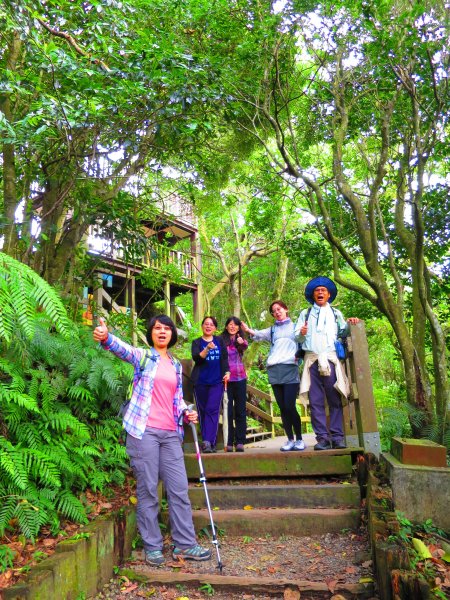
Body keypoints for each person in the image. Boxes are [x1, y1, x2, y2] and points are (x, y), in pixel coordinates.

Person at [93, 315, 211, 566]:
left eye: (167, 329)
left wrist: (186, 411)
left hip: (170, 434)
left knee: (178, 489)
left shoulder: (177, 365)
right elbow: (123, 349)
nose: (162, 332)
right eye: (157, 328)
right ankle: (153, 546)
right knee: (148, 490)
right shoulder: (144, 357)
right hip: (144, 431)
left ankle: (186, 544)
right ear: (151, 333)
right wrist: (106, 338)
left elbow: (177, 399)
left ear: (172, 335)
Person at [294, 277, 359, 451]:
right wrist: (301, 332)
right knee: (315, 402)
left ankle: (337, 438)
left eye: (323, 290)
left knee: (334, 398)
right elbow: (297, 337)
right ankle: (322, 438)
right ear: (312, 295)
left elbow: (343, 330)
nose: (320, 293)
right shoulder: (305, 314)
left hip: (330, 360)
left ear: (329, 294)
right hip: (312, 361)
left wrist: (351, 323)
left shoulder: (336, 314)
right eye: (317, 290)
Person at [241, 301, 305, 452]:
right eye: (274, 311)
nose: (277, 312)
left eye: (279, 309)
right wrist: (247, 330)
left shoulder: (296, 327)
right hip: (274, 369)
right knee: (282, 407)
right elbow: (258, 334)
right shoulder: (272, 330)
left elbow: (304, 341)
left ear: (286, 309)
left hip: (290, 367)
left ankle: (300, 439)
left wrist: (299, 355)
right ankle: (290, 440)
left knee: (290, 406)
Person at [191, 316, 230, 453]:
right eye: (206, 324)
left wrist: (227, 372)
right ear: (202, 326)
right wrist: (207, 348)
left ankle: (208, 442)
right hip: (200, 382)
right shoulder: (196, 342)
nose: (208, 326)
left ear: (215, 328)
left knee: (212, 410)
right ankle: (209, 443)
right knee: (202, 412)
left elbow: (224, 358)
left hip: (216, 381)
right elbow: (197, 359)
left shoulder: (219, 341)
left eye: (211, 324)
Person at [221, 316, 248, 453]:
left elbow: (244, 347)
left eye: (235, 325)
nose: (232, 327)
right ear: (226, 326)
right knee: (228, 411)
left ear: (238, 327)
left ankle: (240, 441)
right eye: (230, 324)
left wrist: (240, 342)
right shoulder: (221, 340)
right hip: (226, 379)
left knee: (240, 410)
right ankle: (229, 441)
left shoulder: (240, 340)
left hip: (240, 378)